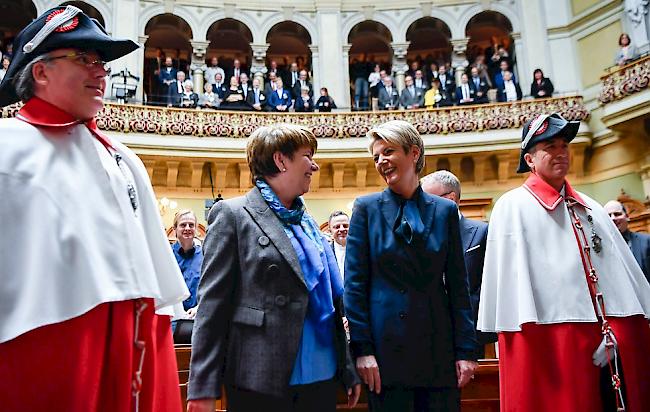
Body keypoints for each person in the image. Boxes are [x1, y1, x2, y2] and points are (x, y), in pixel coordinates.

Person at [0, 5, 189, 411]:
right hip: (41, 359)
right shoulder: (6, 147)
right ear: (40, 71)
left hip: (131, 354)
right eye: (84, 59)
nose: (101, 71)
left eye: (101, 61)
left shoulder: (123, 156)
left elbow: (156, 296)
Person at [478, 113, 650, 412]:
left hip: (606, 341)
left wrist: (617, 332)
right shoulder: (512, 207)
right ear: (529, 159)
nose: (560, 153)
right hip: (549, 346)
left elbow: (622, 284)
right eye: (549, 146)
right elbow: (513, 300)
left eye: (563, 145)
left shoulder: (591, 206)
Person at [187, 124, 361, 412]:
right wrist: (202, 388)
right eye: (307, 156)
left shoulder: (308, 224)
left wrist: (346, 368)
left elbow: (331, 302)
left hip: (321, 374)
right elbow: (212, 307)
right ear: (281, 161)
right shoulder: (232, 214)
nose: (314, 166)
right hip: (261, 376)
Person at [344, 120, 478, 412]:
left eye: (388, 152)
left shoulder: (444, 211)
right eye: (376, 156)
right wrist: (363, 350)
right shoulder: (365, 209)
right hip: (384, 354)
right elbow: (354, 287)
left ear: (414, 153)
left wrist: (466, 350)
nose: (381, 161)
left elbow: (458, 286)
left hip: (437, 350)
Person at [421, 171, 496, 359]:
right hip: (429, 336)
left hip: (472, 334)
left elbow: (491, 286)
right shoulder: (420, 238)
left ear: (451, 199)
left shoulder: (482, 232)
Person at [604, 200, 650, 284]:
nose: (613, 218)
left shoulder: (646, 241)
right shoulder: (602, 248)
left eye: (617, 214)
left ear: (627, 216)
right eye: (608, 216)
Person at [172, 210, 204, 318]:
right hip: (171, 319)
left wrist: (199, 307)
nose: (187, 228)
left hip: (198, 319)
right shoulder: (166, 256)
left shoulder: (206, 256)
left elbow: (211, 288)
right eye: (182, 225)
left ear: (196, 228)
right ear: (174, 229)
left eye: (191, 225)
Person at [328, 210, 350, 280]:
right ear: (330, 231)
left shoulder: (362, 251)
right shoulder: (325, 253)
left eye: (345, 226)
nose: (342, 229)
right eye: (337, 227)